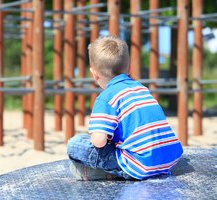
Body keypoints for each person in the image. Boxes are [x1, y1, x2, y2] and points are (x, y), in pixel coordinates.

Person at [67, 36, 183, 180]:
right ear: (129, 68)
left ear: (94, 74)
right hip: (169, 159)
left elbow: (99, 142)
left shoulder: (106, 97)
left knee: (75, 144)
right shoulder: (141, 88)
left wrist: (98, 135)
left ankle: (106, 173)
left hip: (141, 165)